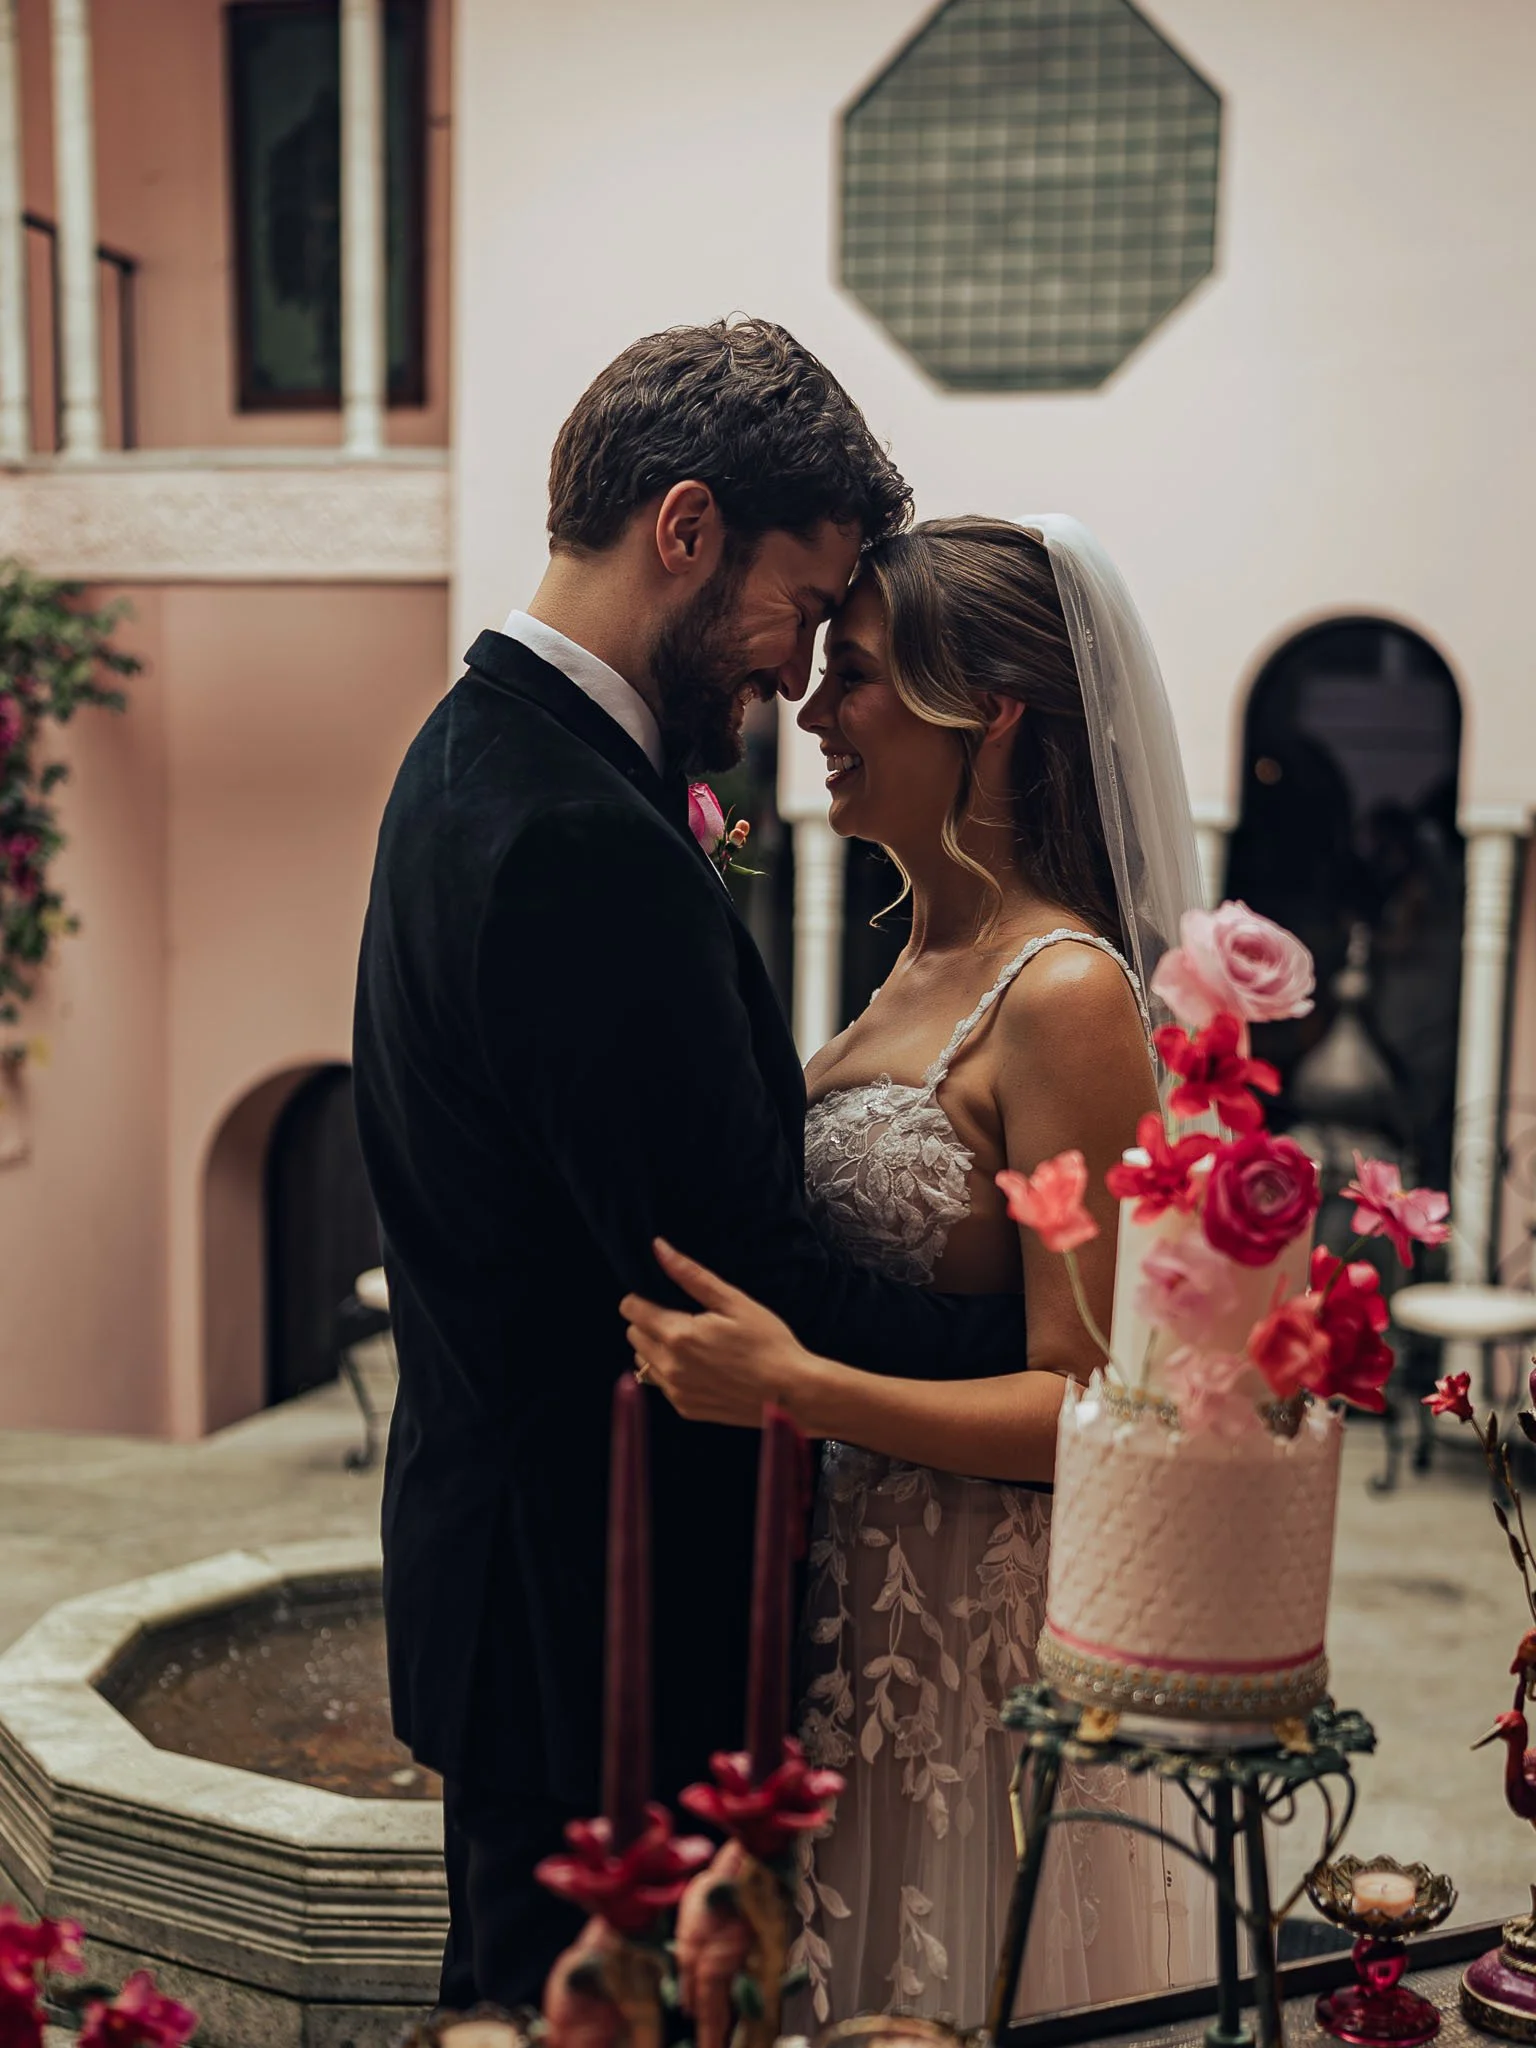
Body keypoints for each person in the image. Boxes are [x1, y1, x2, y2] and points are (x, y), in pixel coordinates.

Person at [351, 324, 1029, 2013]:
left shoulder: (473, 753)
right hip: (600, 1628)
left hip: (525, 1594)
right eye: (801, 609)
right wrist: (1047, 1365)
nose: (799, 678)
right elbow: (740, 1277)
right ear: (684, 527)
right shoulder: (579, 835)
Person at [622, 516, 1216, 2024]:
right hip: (848, 1610)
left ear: (990, 713)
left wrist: (798, 1388)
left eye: (861, 678)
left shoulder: (1066, 996)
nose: (811, 713)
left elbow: (1097, 1410)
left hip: (969, 1646)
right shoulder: (911, 960)